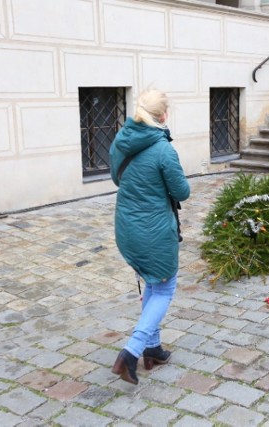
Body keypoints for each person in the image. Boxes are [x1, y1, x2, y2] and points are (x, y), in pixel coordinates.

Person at [109, 88, 191, 385]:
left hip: (127, 228)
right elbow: (182, 191)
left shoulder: (121, 141)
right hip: (154, 230)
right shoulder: (163, 149)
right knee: (165, 288)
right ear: (164, 115)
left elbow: (117, 177)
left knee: (152, 284)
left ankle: (153, 349)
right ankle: (131, 351)